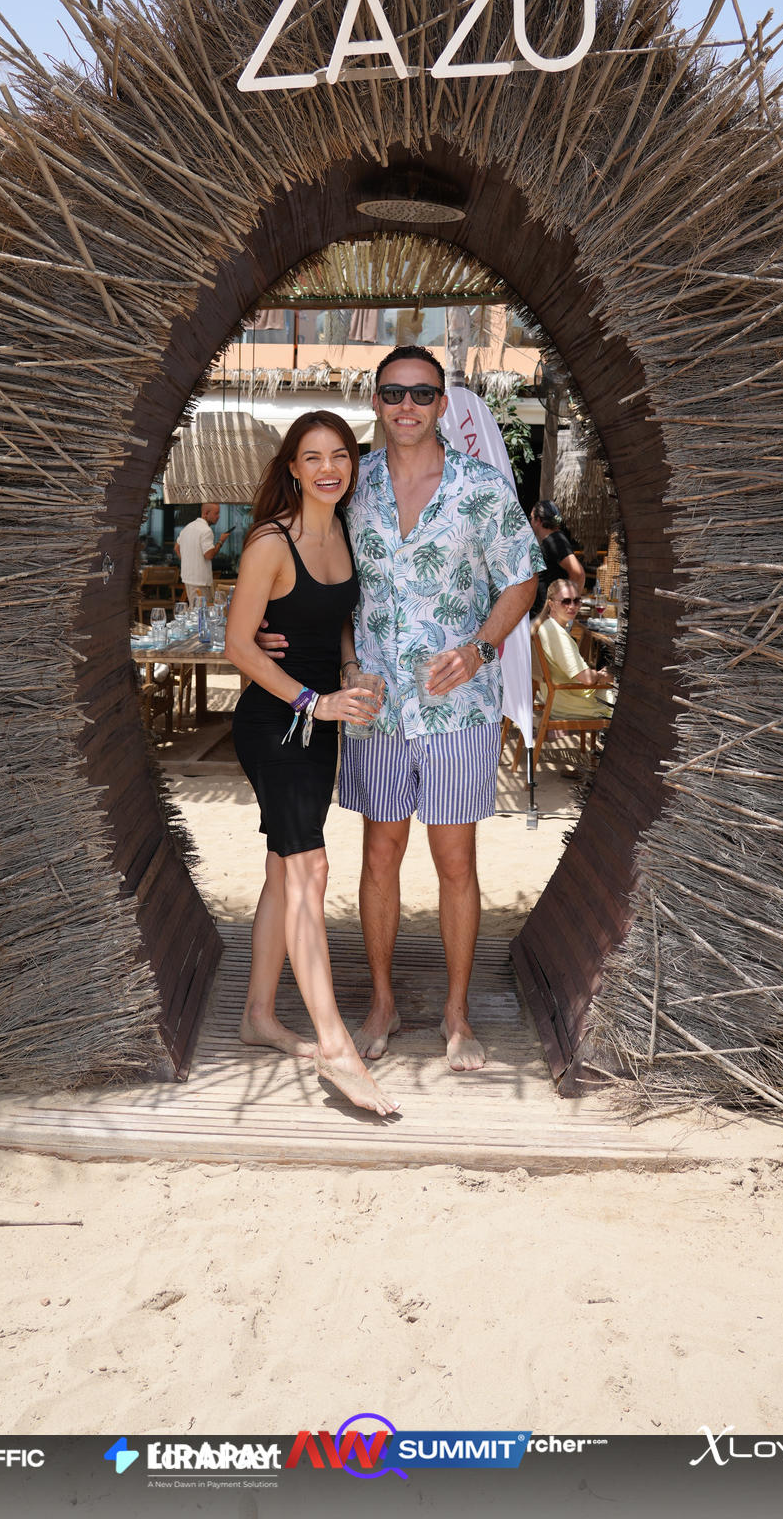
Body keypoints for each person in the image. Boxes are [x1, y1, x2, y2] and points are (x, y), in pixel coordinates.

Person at [263, 347, 541, 1072]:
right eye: (393, 393)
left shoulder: (483, 488)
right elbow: (315, 573)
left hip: (460, 709)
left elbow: (522, 581)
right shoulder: (350, 487)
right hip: (377, 708)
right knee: (379, 854)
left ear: (443, 404)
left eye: (421, 394)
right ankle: (382, 1003)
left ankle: (457, 1013)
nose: (407, 406)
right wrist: (280, 631)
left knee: (456, 861)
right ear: (376, 401)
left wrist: (480, 649)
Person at [222, 412, 396, 1117]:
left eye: (340, 456)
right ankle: (334, 1046)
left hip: (320, 725)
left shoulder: (344, 531)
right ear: (292, 467)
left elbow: (338, 622)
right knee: (310, 870)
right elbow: (239, 645)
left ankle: (258, 1015)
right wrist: (312, 702)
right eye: (313, 457)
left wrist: (350, 674)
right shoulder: (272, 541)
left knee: (282, 869)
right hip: (275, 724)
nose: (329, 468)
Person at [532, 580, 615, 719]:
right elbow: (587, 679)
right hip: (574, 705)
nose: (572, 606)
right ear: (551, 604)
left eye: (576, 601)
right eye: (566, 601)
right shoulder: (557, 635)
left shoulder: (546, 627)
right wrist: (601, 675)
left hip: (559, 700)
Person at [530, 499, 586, 613]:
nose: (530, 522)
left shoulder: (556, 541)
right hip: (544, 613)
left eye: (531, 518)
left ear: (538, 520)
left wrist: (568, 606)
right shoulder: (551, 540)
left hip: (549, 615)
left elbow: (578, 573)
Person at [177, 502, 229, 600]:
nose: (218, 516)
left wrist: (188, 563)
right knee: (203, 608)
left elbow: (177, 548)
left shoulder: (188, 527)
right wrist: (221, 541)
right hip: (200, 580)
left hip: (187, 577)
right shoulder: (206, 530)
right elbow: (209, 555)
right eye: (216, 513)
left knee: (194, 606)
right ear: (206, 513)